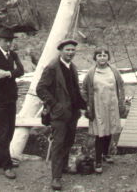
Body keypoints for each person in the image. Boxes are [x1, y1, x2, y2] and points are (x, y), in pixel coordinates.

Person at [36, 39, 86, 190]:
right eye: (67, 50)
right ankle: (56, 178)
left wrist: (84, 106)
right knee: (58, 144)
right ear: (61, 51)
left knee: (68, 142)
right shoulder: (52, 67)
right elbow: (41, 89)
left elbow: (75, 91)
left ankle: (64, 168)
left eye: (72, 50)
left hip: (72, 113)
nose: (70, 52)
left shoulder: (73, 67)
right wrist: (55, 105)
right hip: (59, 114)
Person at [0, 28, 24, 179]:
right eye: (6, 41)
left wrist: (8, 73)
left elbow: (21, 70)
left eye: (10, 41)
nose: (9, 43)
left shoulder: (13, 55)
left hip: (10, 99)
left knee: (9, 132)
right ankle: (6, 166)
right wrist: (11, 74)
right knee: (2, 133)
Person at [82, 46, 126, 174]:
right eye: (99, 55)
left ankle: (106, 154)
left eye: (104, 55)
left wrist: (121, 102)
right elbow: (84, 89)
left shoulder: (114, 71)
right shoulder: (91, 73)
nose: (102, 57)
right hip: (98, 106)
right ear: (95, 58)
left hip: (112, 104)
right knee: (100, 133)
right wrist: (87, 104)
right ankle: (98, 161)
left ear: (108, 57)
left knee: (110, 130)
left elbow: (121, 86)